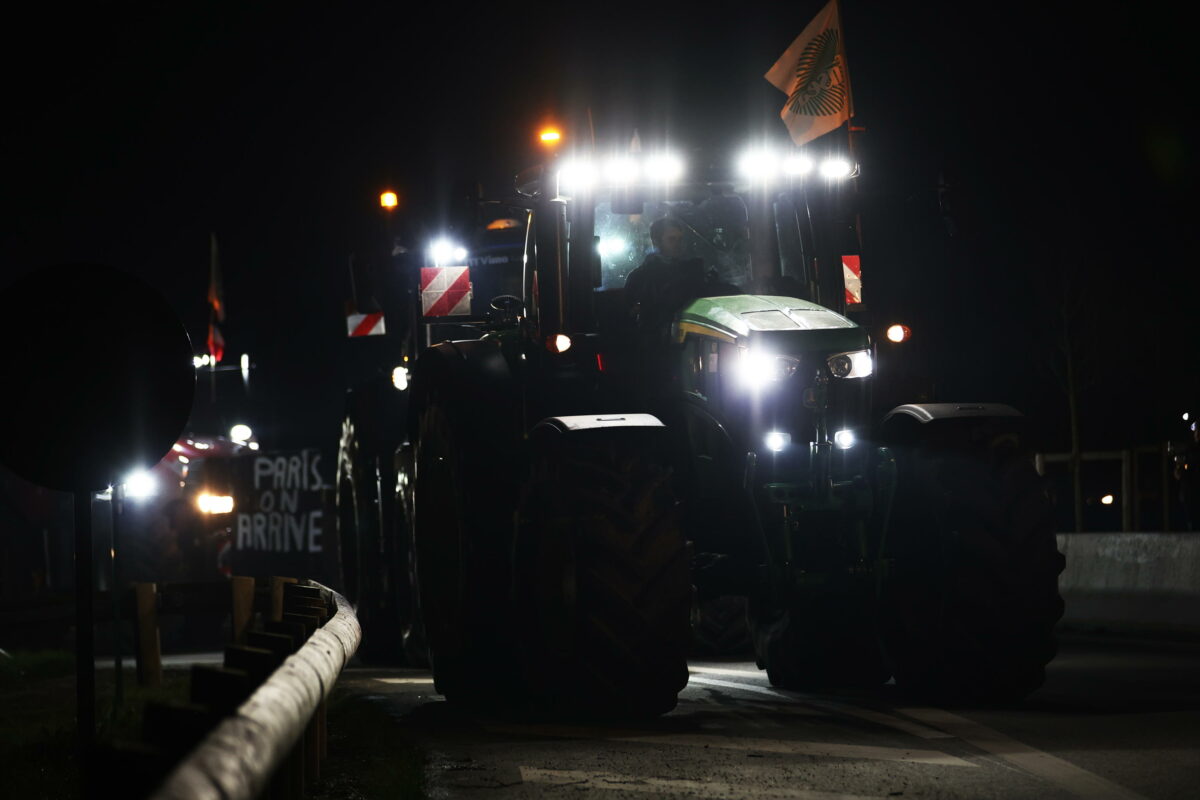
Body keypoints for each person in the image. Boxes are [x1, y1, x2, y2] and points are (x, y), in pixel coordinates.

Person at [624, 216, 710, 337]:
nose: (677, 244)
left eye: (680, 239)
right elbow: (629, 318)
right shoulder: (639, 278)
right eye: (672, 239)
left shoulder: (692, 272)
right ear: (656, 241)